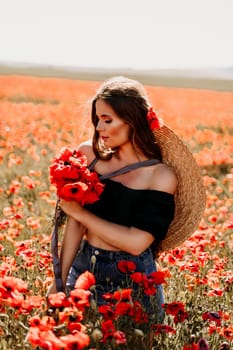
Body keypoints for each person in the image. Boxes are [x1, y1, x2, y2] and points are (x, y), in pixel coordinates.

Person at [47, 76, 206, 323]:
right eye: (97, 119)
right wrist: (58, 281)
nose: (99, 128)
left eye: (107, 120)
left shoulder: (161, 176)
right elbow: (75, 226)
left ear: (131, 121)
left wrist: (79, 213)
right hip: (83, 267)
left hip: (134, 279)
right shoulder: (89, 156)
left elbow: (136, 242)